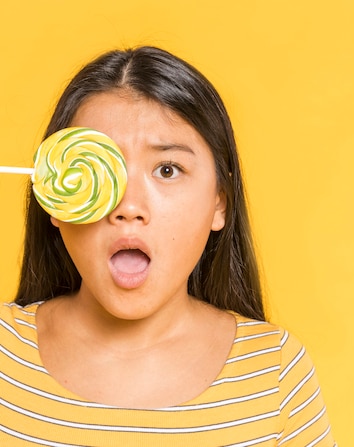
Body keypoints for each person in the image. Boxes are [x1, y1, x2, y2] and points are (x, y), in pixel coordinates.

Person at [0, 46, 336, 446]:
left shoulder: (275, 373)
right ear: (55, 195)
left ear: (219, 204)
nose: (129, 207)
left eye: (167, 169)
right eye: (95, 166)